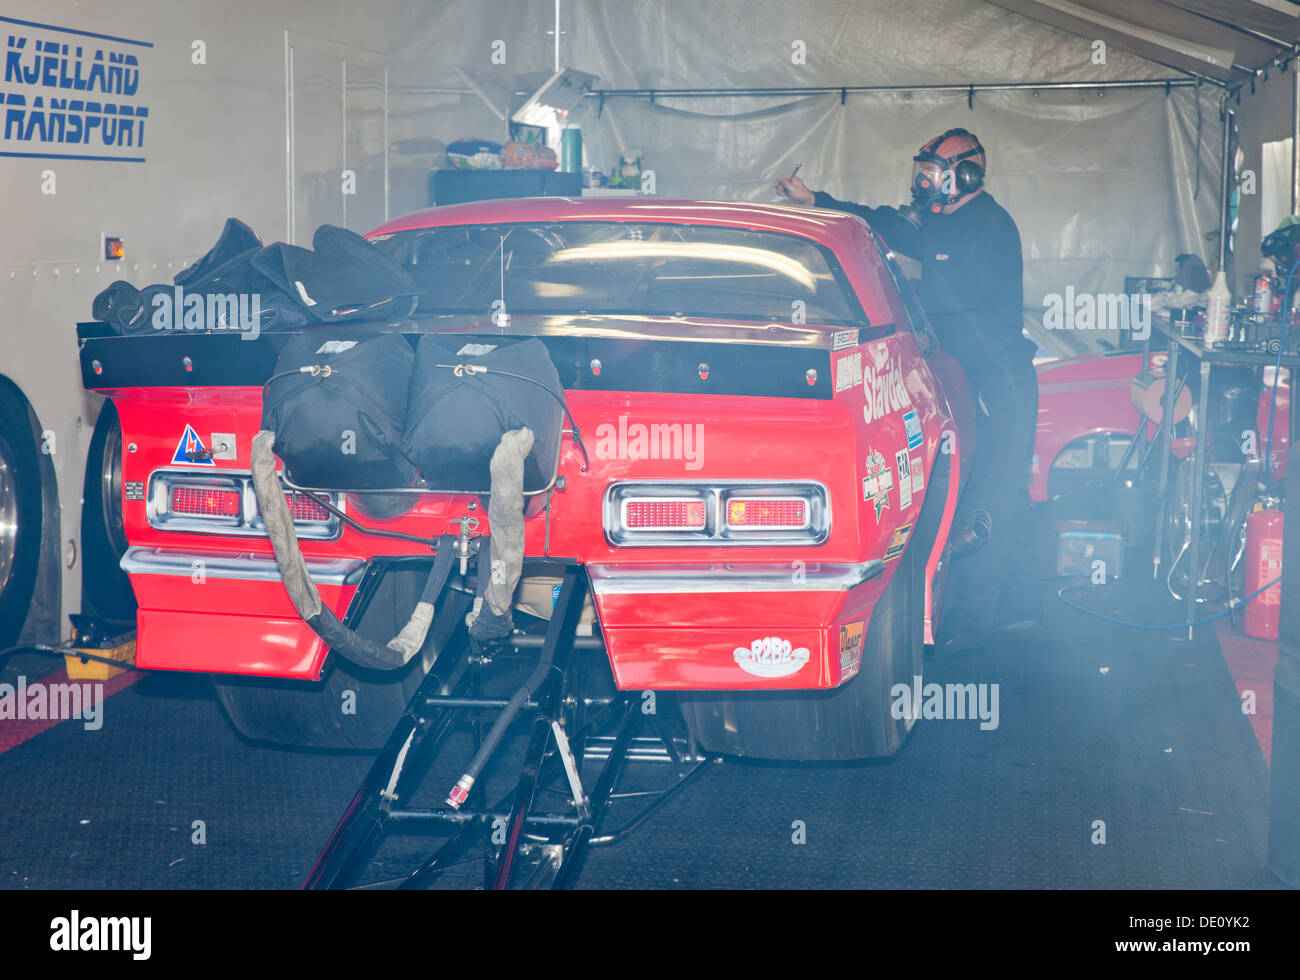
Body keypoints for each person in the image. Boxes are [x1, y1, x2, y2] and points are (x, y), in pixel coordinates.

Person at [774, 128, 1041, 652]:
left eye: (934, 169)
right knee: (995, 492)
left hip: (1000, 382)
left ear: (965, 173)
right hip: (969, 375)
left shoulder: (988, 227)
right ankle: (1017, 610)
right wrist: (818, 203)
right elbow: (887, 224)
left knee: (986, 505)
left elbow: (951, 299)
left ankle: (970, 634)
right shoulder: (942, 223)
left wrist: (894, 293)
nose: (923, 180)